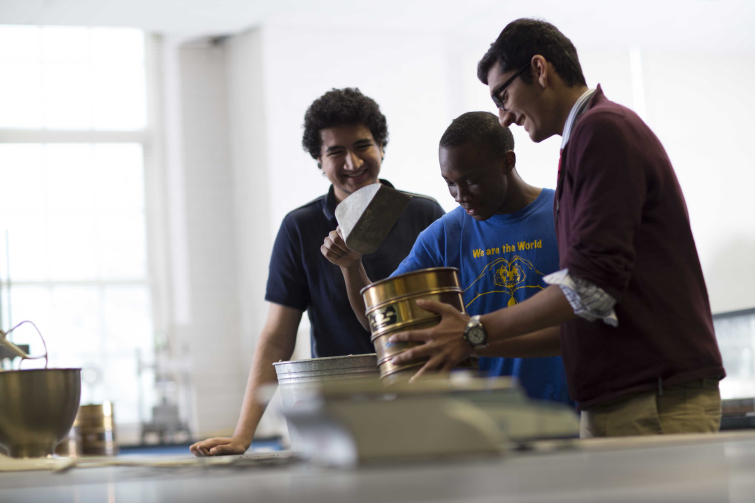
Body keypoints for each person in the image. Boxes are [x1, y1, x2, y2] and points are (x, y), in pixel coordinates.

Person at [387, 19, 725, 438]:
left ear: (540, 70)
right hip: (625, 396)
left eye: (503, 95)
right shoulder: (583, 140)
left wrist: (476, 329)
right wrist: (470, 340)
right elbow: (583, 317)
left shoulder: (602, 130)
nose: (504, 117)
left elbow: (588, 288)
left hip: (650, 396)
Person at [190, 88, 444, 456]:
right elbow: (278, 336)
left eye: (363, 146)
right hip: (337, 409)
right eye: (335, 152)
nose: (353, 162)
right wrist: (243, 434)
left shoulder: (424, 214)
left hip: (419, 400)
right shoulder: (300, 227)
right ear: (318, 161)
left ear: (382, 146)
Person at [322, 111, 572, 406]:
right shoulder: (443, 235)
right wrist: (352, 266)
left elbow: (591, 318)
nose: (459, 195)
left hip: (571, 413)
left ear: (508, 162)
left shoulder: (566, 215)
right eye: (450, 183)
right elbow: (379, 320)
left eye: (471, 181)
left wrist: (473, 337)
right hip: (482, 426)